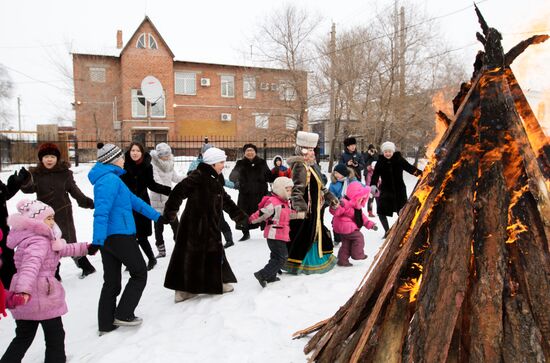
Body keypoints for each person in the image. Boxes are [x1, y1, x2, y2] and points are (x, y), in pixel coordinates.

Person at [88, 143, 167, 335]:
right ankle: (123, 314)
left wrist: (157, 217)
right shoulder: (109, 180)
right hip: (119, 236)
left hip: (111, 238)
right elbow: (101, 212)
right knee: (139, 273)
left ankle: (106, 324)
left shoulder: (113, 179)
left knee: (112, 282)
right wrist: (97, 240)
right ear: (113, 160)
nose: (124, 159)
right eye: (121, 157)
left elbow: (135, 201)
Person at [1, 199, 90, 363]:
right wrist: (23, 291)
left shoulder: (38, 238)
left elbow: (61, 250)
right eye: (48, 218)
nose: (52, 221)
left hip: (29, 295)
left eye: (52, 217)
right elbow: (30, 266)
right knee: (55, 334)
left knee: (24, 336)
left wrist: (85, 247)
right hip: (40, 294)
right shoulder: (39, 241)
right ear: (36, 221)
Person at [163, 147, 248, 303]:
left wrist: (239, 216)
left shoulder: (213, 178)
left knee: (211, 255)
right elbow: (177, 192)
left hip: (210, 225)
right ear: (213, 163)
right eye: (221, 162)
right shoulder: (198, 176)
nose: (224, 165)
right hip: (194, 226)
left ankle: (215, 283)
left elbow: (226, 199)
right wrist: (170, 213)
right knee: (190, 256)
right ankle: (183, 291)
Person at [20, 143, 96, 279]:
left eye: (52, 156)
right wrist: (24, 180)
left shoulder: (65, 173)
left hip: (63, 213)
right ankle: (55, 274)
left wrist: (88, 203)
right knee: (49, 244)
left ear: (57, 158)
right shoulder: (36, 174)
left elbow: (75, 191)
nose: (49, 159)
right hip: (44, 216)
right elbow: (28, 189)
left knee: (69, 242)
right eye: (46, 157)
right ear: (41, 159)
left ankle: (86, 267)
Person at [285, 131, 338, 275]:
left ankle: (315, 259)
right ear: (301, 150)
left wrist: (330, 197)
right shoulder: (300, 166)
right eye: (309, 150)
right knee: (304, 235)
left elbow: (320, 187)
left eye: (313, 150)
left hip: (317, 209)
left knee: (314, 234)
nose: (312, 153)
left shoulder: (312, 165)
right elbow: (297, 190)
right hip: (307, 210)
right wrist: (301, 208)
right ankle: (301, 263)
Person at [121, 142, 171, 270]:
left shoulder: (147, 167)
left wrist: (169, 190)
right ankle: (133, 262)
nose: (135, 153)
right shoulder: (123, 165)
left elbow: (152, 185)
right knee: (129, 236)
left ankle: (151, 259)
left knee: (142, 236)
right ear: (129, 152)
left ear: (142, 153)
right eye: (133, 150)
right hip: (126, 205)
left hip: (142, 203)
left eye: (138, 150)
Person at [249, 177, 303, 287]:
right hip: (274, 234)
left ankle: (271, 276)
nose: (290, 192)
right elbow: (262, 213)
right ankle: (263, 274)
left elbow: (287, 214)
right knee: (282, 257)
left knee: (276, 256)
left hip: (281, 234)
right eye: (287, 190)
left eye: (290, 189)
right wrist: (250, 220)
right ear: (280, 189)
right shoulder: (273, 202)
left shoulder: (284, 202)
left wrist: (299, 214)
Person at [188, 143, 236, 249]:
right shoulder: (195, 164)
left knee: (220, 219)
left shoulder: (216, 164)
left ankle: (229, 239)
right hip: (201, 198)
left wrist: (233, 185)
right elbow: (189, 178)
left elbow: (222, 180)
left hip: (216, 196)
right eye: (206, 152)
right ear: (202, 153)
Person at [370, 141, 422, 237]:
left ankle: (407, 230)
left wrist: (421, 174)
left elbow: (409, 168)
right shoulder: (380, 162)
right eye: (386, 152)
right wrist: (373, 185)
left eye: (389, 151)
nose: (388, 153)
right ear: (383, 152)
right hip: (386, 191)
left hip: (399, 190)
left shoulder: (399, 159)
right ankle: (387, 231)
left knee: (402, 212)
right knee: (381, 212)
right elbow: (375, 175)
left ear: (393, 151)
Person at [229, 143, 273, 241]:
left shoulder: (262, 162)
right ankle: (245, 233)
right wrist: (237, 180)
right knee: (244, 213)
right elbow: (232, 177)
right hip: (246, 195)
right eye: (247, 151)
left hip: (260, 194)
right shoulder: (240, 163)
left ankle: (268, 232)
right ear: (244, 153)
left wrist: (274, 174)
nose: (250, 152)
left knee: (264, 213)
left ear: (255, 152)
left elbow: (269, 176)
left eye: (251, 150)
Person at [329, 183, 378, 266]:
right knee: (359, 237)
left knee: (346, 244)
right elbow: (337, 211)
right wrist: (335, 207)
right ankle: (357, 254)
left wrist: (371, 225)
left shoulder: (356, 207)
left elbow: (363, 219)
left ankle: (342, 260)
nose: (361, 200)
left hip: (342, 228)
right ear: (353, 195)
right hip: (345, 226)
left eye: (362, 199)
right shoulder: (345, 203)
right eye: (359, 198)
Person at [149, 143, 183, 259]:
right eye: (164, 155)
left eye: (168, 154)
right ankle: (161, 250)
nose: (167, 157)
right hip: (158, 200)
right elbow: (157, 182)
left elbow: (176, 178)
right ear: (159, 155)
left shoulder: (170, 163)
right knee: (158, 228)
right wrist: (171, 192)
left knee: (176, 226)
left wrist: (188, 177)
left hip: (169, 200)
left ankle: (180, 247)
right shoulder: (153, 165)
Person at [0, 167, 29, 288]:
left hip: (3, 227)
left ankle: (9, 288)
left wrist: (15, 183)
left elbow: (4, 195)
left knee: (7, 256)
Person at [328, 164, 359, 245]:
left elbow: (359, 189)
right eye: (334, 173)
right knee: (335, 222)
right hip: (339, 205)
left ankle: (352, 238)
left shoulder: (352, 181)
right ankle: (337, 239)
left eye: (338, 173)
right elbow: (330, 194)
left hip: (350, 206)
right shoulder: (333, 184)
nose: (336, 175)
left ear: (344, 173)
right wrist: (333, 202)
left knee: (351, 222)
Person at [363, 144, 378, 217]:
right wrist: (368, 154)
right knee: (370, 194)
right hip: (368, 174)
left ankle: (379, 210)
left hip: (376, 174)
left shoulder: (376, 154)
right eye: (371, 149)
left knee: (377, 194)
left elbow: (378, 160)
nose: (372, 150)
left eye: (373, 149)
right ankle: (369, 211)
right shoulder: (365, 154)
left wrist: (374, 154)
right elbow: (363, 162)